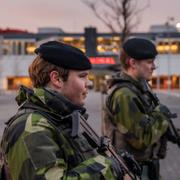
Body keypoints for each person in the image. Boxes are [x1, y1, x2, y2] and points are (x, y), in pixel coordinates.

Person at [0, 41, 135, 180]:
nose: (89, 83)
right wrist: (110, 167)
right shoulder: (31, 127)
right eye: (82, 76)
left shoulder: (61, 118)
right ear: (57, 79)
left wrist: (116, 161)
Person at [103, 37, 171, 180]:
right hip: (131, 171)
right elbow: (140, 140)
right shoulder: (124, 94)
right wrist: (161, 116)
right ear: (132, 63)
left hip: (144, 167)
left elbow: (147, 121)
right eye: (149, 62)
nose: (154, 66)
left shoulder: (139, 88)